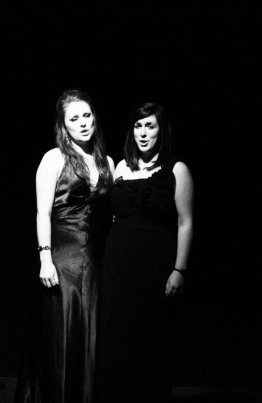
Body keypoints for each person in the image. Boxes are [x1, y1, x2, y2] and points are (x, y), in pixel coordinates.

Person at [15, 89, 114, 403]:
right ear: (63, 125)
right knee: (63, 336)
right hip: (62, 259)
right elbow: (42, 213)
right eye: (74, 118)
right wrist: (45, 258)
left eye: (87, 115)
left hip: (95, 261)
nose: (83, 123)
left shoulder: (108, 162)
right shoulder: (54, 158)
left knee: (91, 336)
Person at [95, 103, 193, 403]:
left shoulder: (176, 169)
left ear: (161, 131)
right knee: (116, 337)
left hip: (154, 269)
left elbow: (186, 222)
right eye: (138, 126)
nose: (143, 132)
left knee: (149, 340)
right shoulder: (121, 167)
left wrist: (179, 269)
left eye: (150, 126)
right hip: (116, 267)